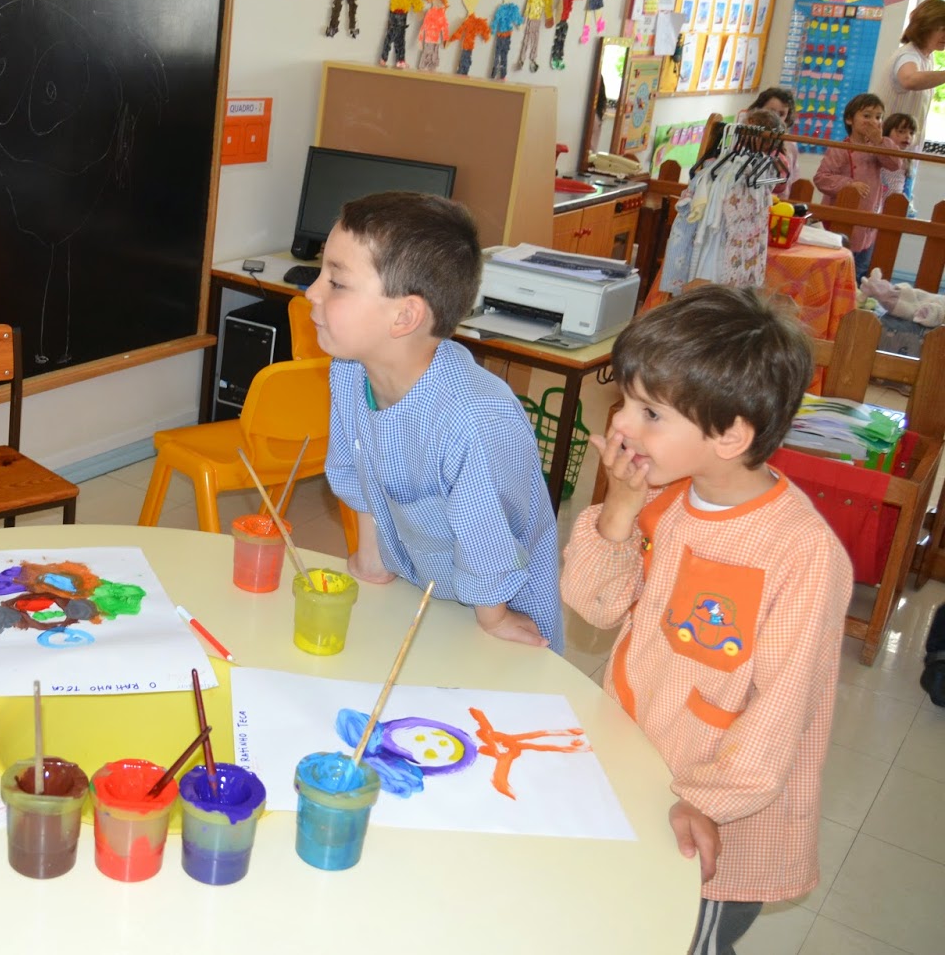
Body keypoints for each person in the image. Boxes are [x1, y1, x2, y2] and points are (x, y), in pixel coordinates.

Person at [562, 286, 851, 955]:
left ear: (730, 435)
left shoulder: (801, 553)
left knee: (683, 941)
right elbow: (593, 605)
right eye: (626, 402)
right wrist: (620, 506)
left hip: (715, 823)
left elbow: (781, 712)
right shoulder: (668, 499)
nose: (623, 425)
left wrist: (707, 802)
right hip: (639, 768)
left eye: (650, 412)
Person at [305, 191, 562, 651]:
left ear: (405, 315)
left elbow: (486, 537)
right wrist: (371, 556)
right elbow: (357, 472)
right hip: (421, 584)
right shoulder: (349, 371)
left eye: (336, 282)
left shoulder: (471, 418)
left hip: (498, 605)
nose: (312, 291)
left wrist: (493, 619)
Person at [812, 92, 902, 282]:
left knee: (859, 270)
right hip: (840, 220)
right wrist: (849, 184)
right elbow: (821, 178)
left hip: (867, 221)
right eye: (867, 115)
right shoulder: (840, 148)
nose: (873, 121)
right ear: (849, 119)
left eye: (878, 117)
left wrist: (879, 142)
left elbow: (895, 164)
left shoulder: (878, 148)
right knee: (834, 268)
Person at [881, 0, 945, 199]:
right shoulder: (908, 55)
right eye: (942, 29)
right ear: (925, 28)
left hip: (905, 153)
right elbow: (909, 79)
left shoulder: (927, 57)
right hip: (888, 155)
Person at [736, 87, 798, 197]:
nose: (775, 118)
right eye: (771, 111)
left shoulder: (789, 147)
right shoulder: (742, 141)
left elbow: (786, 184)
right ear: (758, 111)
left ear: (787, 118)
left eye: (781, 114)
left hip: (772, 200)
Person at [881, 112, 917, 212]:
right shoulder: (881, 154)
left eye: (911, 133)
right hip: (877, 201)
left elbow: (907, 188)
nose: (907, 136)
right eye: (901, 131)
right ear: (887, 132)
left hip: (895, 205)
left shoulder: (907, 160)